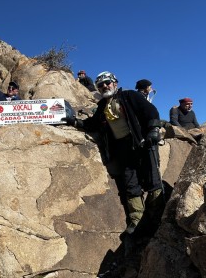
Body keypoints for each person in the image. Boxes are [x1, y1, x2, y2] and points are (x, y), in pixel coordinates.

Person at [63, 71, 164, 235]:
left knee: (153, 181)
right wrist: (74, 121)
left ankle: (157, 219)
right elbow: (93, 124)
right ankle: (137, 222)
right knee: (131, 185)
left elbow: (150, 111)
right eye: (100, 85)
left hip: (142, 143)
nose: (104, 87)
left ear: (115, 83)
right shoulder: (102, 106)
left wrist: (153, 129)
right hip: (122, 150)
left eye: (107, 83)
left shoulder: (129, 95)